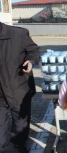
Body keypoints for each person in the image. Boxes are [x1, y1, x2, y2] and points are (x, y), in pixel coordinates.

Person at [0, 22, 40, 153]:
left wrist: (31, 61)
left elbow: (34, 51)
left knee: (20, 129)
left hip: (19, 90)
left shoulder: (19, 34)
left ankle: (20, 147)